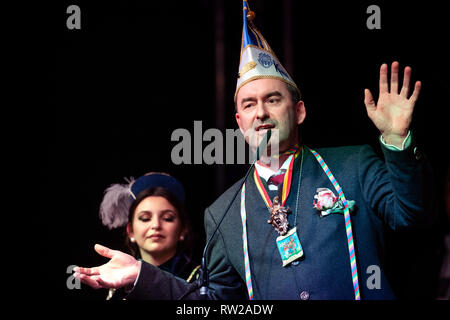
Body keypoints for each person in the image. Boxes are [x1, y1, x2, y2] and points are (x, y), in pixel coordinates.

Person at [74, 0, 434, 300]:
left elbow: (414, 217)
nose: (260, 112)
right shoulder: (222, 213)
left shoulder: (353, 164)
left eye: (272, 99)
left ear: (299, 110)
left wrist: (398, 142)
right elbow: (212, 302)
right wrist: (141, 275)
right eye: (248, 105)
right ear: (239, 121)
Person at [93, 172, 200, 299]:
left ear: (183, 230)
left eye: (167, 218)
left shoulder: (202, 280)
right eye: (145, 218)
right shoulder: (119, 284)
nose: (155, 225)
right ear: (131, 231)